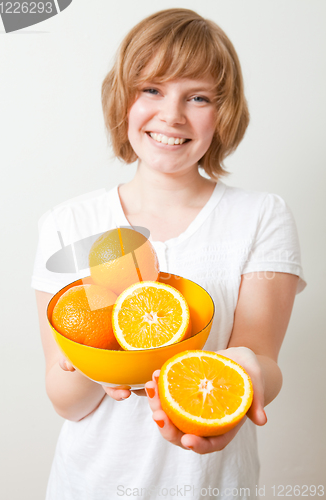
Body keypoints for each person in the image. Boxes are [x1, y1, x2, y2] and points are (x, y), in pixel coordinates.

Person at [32, 8, 306, 500]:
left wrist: (248, 371)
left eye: (197, 97)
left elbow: (263, 359)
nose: (172, 114)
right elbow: (67, 403)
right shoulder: (69, 224)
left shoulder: (262, 216)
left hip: (212, 486)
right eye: (152, 89)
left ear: (224, 113)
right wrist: (95, 362)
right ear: (123, 99)